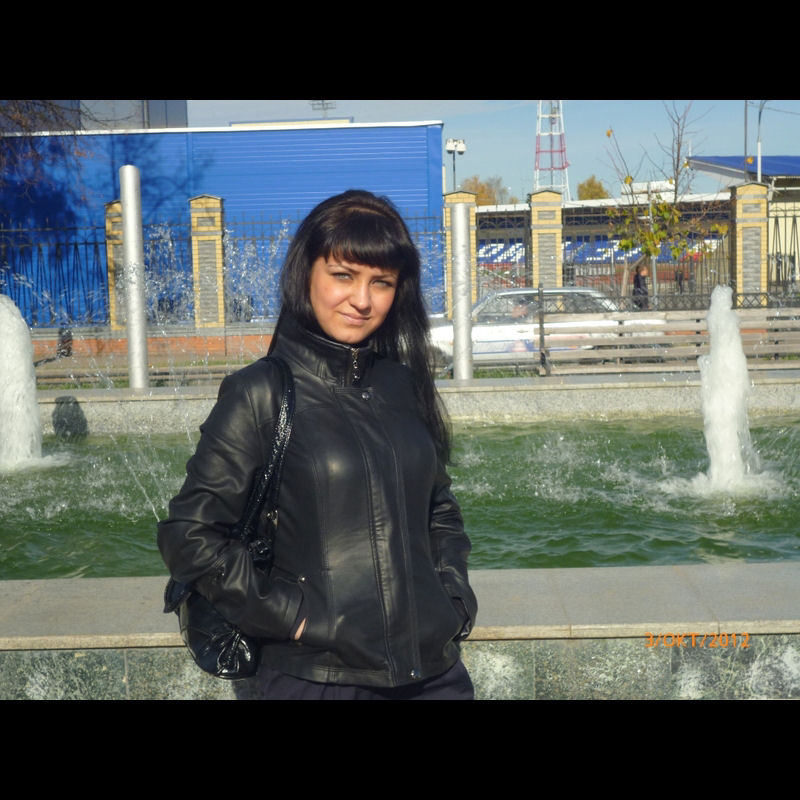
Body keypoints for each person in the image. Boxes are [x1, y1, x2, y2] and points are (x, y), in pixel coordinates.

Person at [158, 190, 478, 700]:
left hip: (434, 675)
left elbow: (439, 507)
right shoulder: (260, 392)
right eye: (343, 275)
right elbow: (189, 536)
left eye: (382, 282)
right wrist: (295, 618)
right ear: (305, 274)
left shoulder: (401, 383)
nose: (362, 300)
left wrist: (452, 596)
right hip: (318, 678)